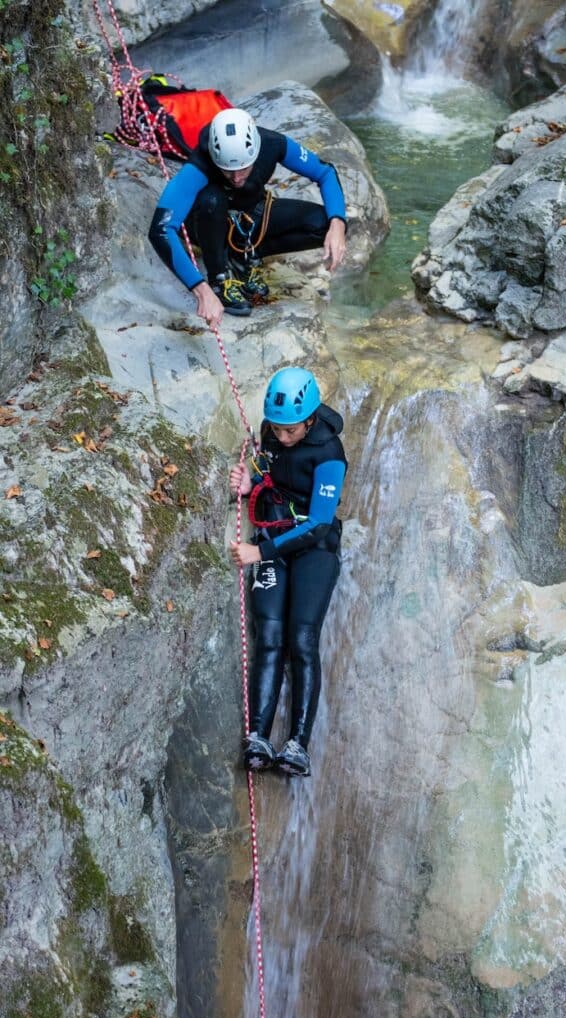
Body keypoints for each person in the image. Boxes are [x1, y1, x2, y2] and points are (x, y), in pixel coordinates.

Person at [228, 366, 347, 777]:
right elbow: (270, 468)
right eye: (276, 428)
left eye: (290, 430)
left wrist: (260, 552)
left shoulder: (329, 454)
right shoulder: (272, 429)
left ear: (310, 419)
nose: (281, 436)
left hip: (314, 547)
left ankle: (298, 743)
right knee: (271, 634)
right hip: (274, 534)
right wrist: (251, 482)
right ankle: (258, 737)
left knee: (301, 637)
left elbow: (317, 523)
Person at [148, 107, 347, 325]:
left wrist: (337, 224)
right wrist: (201, 290)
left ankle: (243, 258)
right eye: (227, 170)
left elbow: (325, 172)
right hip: (207, 223)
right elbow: (161, 228)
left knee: (323, 223)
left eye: (243, 169)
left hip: (250, 215)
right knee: (211, 199)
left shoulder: (273, 143)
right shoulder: (200, 163)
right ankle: (219, 279)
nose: (235, 178)